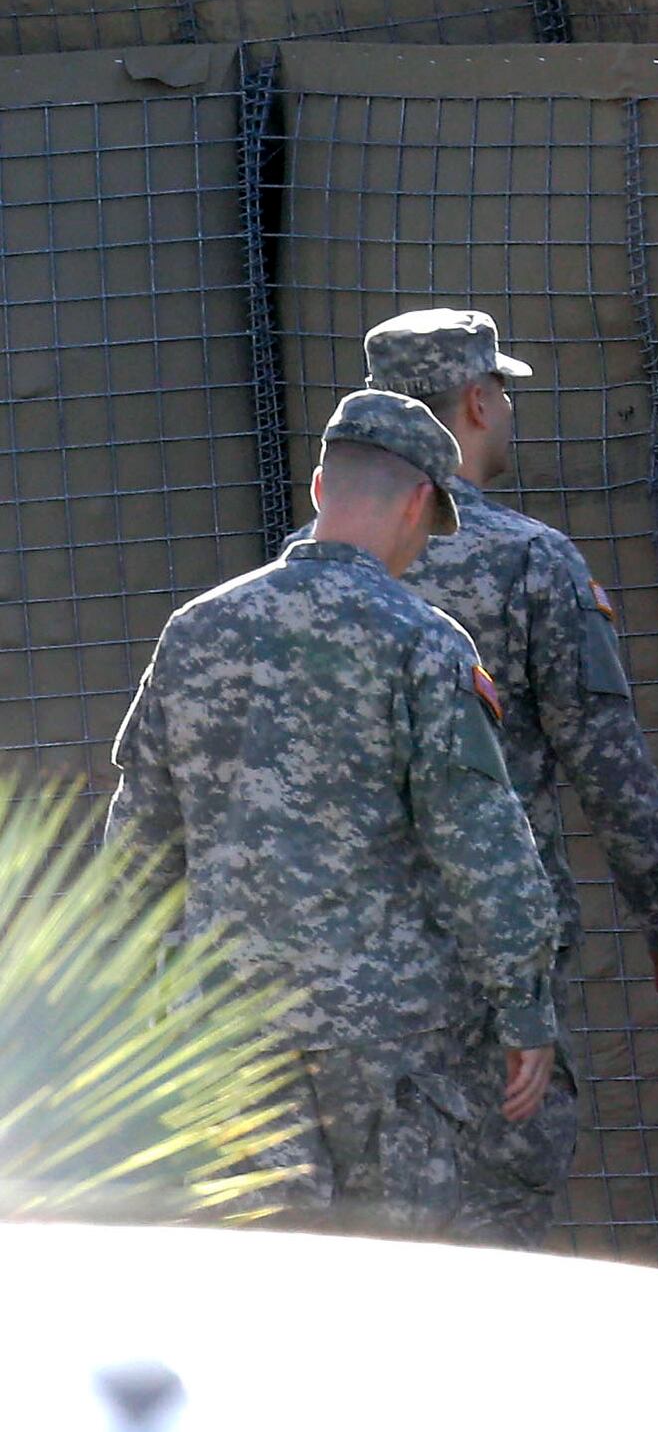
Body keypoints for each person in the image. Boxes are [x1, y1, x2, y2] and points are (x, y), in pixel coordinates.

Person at [106, 389, 563, 1239]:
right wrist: (523, 1003)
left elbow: (136, 846)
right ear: (424, 501)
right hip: (387, 1041)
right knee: (391, 1290)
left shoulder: (195, 631)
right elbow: (481, 844)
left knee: (262, 1295)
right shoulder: (423, 642)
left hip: (231, 1036)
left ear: (320, 488)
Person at [347, 306, 658, 1246]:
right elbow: (604, 754)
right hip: (492, 965)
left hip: (337, 977)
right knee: (494, 1232)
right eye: (500, 390)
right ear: (472, 402)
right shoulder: (528, 560)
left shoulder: (310, 569)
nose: (505, 409)